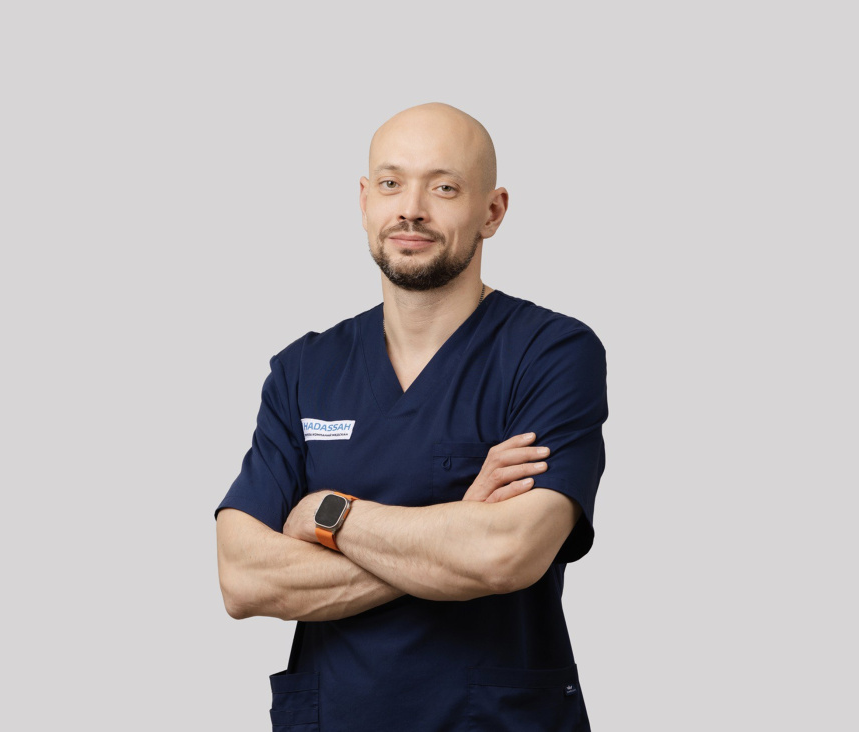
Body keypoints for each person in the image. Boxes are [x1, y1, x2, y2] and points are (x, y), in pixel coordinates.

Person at [215, 102, 608, 731]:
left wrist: (326, 513)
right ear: (364, 200)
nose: (412, 209)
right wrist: (454, 531)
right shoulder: (303, 369)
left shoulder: (549, 354)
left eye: (444, 187)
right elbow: (243, 579)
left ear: (493, 211)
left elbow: (505, 554)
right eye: (391, 183)